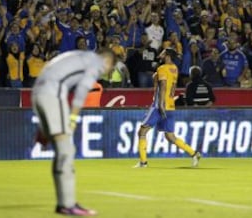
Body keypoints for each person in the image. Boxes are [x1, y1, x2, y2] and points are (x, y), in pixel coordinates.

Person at [31, 48, 115, 216]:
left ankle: (64, 202)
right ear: (107, 61)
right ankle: (68, 204)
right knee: (67, 151)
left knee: (61, 152)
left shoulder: (79, 55)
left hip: (38, 92)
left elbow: (51, 70)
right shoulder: (96, 62)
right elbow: (82, 89)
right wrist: (73, 117)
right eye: (110, 67)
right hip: (53, 93)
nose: (106, 71)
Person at [134, 48, 201, 168]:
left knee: (142, 131)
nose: (161, 53)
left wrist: (160, 104)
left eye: (163, 52)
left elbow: (163, 85)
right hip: (171, 105)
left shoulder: (162, 68)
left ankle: (143, 162)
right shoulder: (174, 68)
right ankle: (194, 153)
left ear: (167, 55)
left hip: (160, 105)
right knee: (170, 136)